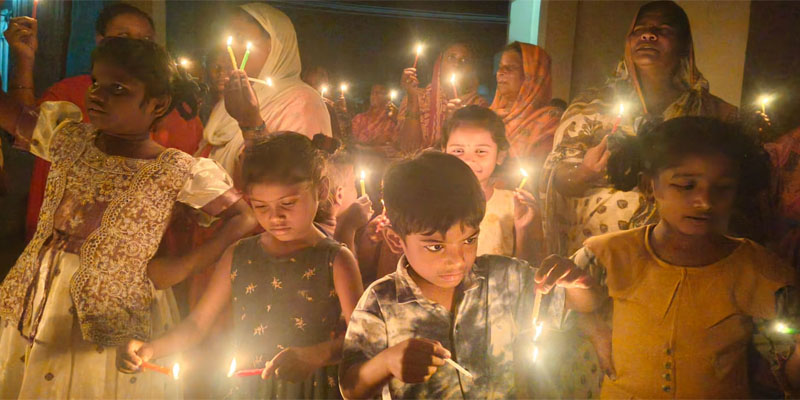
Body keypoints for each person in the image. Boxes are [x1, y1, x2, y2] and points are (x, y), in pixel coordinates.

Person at [0, 37, 256, 399]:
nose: (97, 95)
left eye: (117, 88)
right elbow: (11, 115)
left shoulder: (174, 169)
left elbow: (243, 216)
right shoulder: (68, 137)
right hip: (37, 297)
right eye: (96, 83)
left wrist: (184, 266)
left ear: (158, 104)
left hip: (117, 310)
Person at [559, 116, 800, 398]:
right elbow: (570, 306)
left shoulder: (762, 272)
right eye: (686, 186)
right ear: (649, 186)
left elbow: (787, 369)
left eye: (722, 188)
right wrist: (594, 328)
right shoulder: (607, 254)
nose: (705, 202)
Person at [338, 151, 603, 399]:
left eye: (469, 240)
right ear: (396, 239)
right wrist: (386, 363)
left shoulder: (504, 280)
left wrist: (577, 282)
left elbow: (583, 303)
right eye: (436, 246)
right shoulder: (381, 302)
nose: (457, 260)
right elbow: (350, 387)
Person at [118, 132, 364, 399]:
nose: (275, 217)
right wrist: (150, 349)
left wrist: (316, 355)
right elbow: (198, 324)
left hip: (309, 389)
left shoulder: (335, 260)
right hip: (249, 390)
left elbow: (362, 338)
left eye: (288, 203)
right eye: (261, 206)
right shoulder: (240, 254)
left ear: (322, 190)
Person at [541, 0, 738, 258]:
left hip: (682, 255)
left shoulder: (712, 113)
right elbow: (556, 179)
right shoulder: (591, 106)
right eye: (640, 29)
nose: (648, 35)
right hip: (600, 255)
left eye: (663, 29)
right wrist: (585, 171)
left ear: (685, 46)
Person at [3, 3, 207, 242]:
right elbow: (25, 125)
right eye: (123, 37)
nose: (134, 47)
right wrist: (24, 60)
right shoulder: (72, 103)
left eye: (145, 40)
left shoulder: (178, 116)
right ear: (100, 41)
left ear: (159, 105)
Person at [199, 3, 332, 178]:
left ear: (274, 44)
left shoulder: (303, 102)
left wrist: (250, 122)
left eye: (240, 37)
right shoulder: (234, 98)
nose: (228, 50)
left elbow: (291, 179)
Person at [441, 105, 542, 264]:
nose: (469, 160)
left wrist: (523, 229)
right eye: (458, 151)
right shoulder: (433, 203)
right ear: (444, 152)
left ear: (500, 156)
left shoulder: (513, 204)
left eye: (481, 151)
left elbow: (525, 268)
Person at [397, 43, 488, 153]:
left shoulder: (477, 106)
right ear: (439, 64)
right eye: (451, 58)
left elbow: (477, 150)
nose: (457, 64)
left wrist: (456, 123)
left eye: (464, 60)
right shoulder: (419, 97)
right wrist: (412, 99)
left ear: (470, 69)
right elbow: (408, 150)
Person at [490, 42, 562, 169]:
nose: (500, 72)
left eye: (510, 68)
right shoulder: (488, 116)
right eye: (500, 67)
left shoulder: (549, 121)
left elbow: (538, 170)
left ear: (532, 76)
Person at [351, 84, 397, 150]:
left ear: (387, 97)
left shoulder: (390, 121)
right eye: (372, 92)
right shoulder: (359, 118)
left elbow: (391, 145)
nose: (374, 95)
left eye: (378, 92)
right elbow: (351, 141)